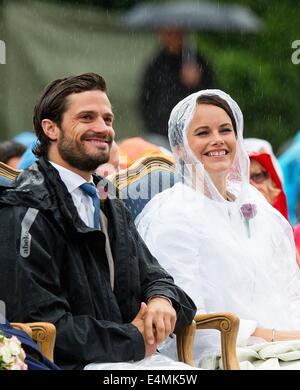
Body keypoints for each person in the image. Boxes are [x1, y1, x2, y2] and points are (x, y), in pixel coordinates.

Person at [0, 73, 196, 370]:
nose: (103, 128)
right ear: (50, 128)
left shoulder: (109, 201)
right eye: (87, 117)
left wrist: (161, 301)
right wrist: (133, 337)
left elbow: (156, 277)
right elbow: (39, 325)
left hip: (133, 361)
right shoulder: (25, 209)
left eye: (107, 119)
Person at [136, 89, 300, 369]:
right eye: (202, 133)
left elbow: (287, 284)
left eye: (226, 130)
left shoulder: (253, 201)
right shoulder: (173, 213)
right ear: (179, 147)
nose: (217, 140)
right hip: (226, 350)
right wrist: (279, 337)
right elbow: (189, 317)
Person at [139, 27, 214, 147]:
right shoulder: (155, 64)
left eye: (176, 33)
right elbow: (145, 98)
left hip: (193, 129)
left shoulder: (196, 60)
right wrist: (154, 125)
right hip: (161, 130)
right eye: (168, 33)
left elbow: (212, 94)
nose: (172, 37)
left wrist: (196, 83)